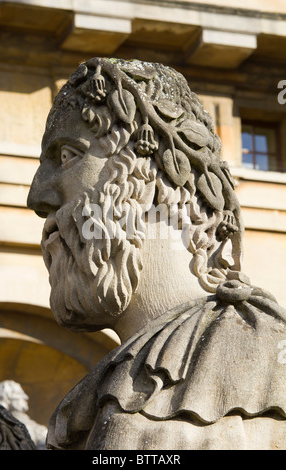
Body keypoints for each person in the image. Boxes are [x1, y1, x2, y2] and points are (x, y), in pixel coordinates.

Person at [27, 58, 286, 450]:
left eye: (67, 156)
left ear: (147, 170)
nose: (37, 196)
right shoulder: (92, 396)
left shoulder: (262, 359)